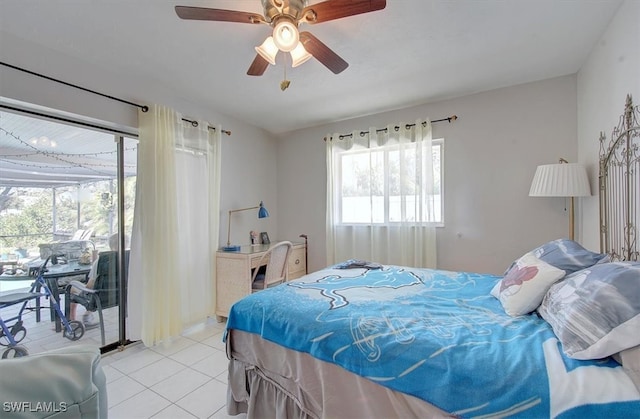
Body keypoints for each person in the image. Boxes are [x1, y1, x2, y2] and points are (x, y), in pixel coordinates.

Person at [69, 233, 128, 328]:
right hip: (121, 295)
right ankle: (87, 316)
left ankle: (72, 321)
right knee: (96, 289)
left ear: (111, 245)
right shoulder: (130, 258)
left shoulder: (103, 261)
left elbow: (90, 286)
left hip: (100, 298)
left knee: (72, 287)